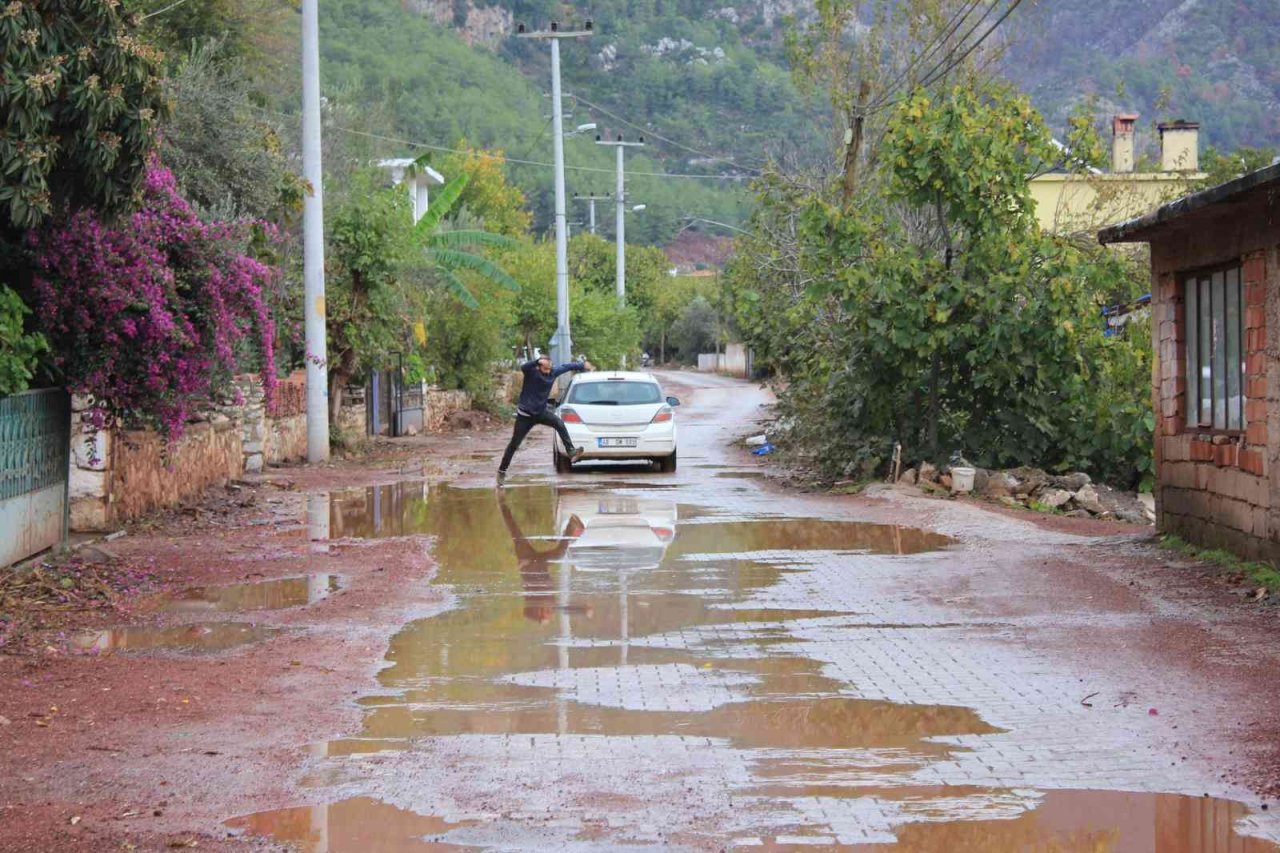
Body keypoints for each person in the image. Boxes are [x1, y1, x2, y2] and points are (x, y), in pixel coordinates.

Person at [497, 354, 594, 485]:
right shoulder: (531, 372)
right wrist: (537, 360)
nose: (548, 372)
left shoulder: (553, 372)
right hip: (525, 415)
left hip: (541, 413)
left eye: (550, 369)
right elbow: (524, 366)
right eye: (545, 369)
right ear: (539, 367)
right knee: (514, 444)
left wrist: (582, 365)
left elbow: (567, 367)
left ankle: (571, 451)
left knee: (559, 423)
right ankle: (502, 471)